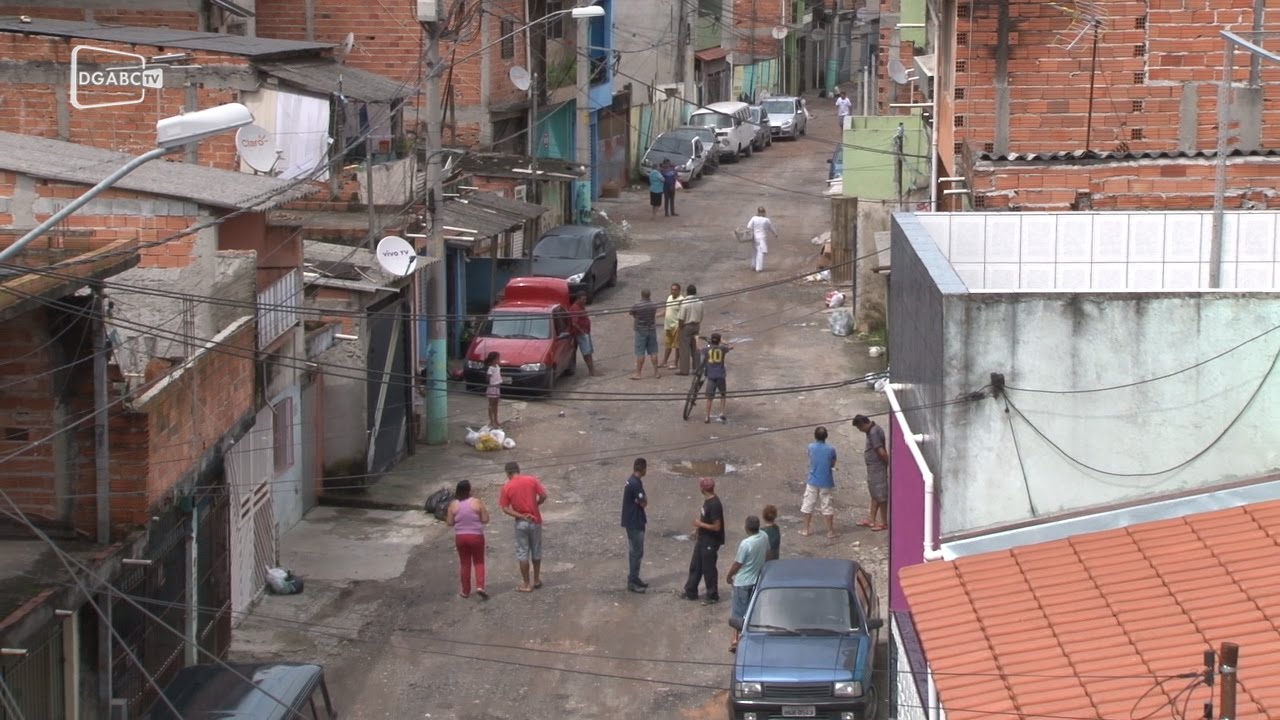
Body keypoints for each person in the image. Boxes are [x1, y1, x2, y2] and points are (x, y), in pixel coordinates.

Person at [498, 461, 549, 592]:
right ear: (518, 470)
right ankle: (536, 580)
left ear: (508, 473)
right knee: (536, 550)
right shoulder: (531, 480)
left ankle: (526, 584)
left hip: (521, 522)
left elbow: (505, 508)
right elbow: (543, 495)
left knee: (523, 552)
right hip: (535, 520)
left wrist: (521, 516)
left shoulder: (507, 487)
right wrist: (536, 504)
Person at [726, 515, 769, 653]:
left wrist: (729, 576)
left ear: (746, 528)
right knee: (752, 609)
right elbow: (767, 553)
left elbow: (738, 564)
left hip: (742, 582)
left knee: (738, 611)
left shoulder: (746, 544)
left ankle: (735, 639)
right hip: (757, 580)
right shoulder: (764, 536)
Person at [682, 477, 724, 604]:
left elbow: (717, 527)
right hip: (702, 539)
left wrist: (700, 524)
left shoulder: (714, 504)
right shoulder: (707, 501)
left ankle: (712, 595)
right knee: (696, 565)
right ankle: (690, 591)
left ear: (702, 489)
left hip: (710, 541)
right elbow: (705, 518)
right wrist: (697, 530)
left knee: (709, 568)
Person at [445, 479, 490, 599]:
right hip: (476, 536)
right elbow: (485, 519)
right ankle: (480, 586)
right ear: (469, 489)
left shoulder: (453, 505)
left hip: (460, 537)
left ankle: (465, 591)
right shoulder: (477, 502)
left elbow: (449, 523)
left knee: (465, 563)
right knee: (479, 562)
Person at [800, 426, 839, 538]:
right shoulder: (831, 449)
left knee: (808, 504)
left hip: (813, 480)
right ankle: (830, 531)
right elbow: (832, 463)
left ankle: (806, 529)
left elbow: (810, 458)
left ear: (815, 436)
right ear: (826, 436)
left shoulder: (811, 447)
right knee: (827, 505)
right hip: (826, 481)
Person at [853, 415, 889, 531]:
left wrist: (888, 463)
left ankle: (883, 522)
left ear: (863, 424)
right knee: (875, 494)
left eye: (859, 428)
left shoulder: (873, 433)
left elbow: (881, 451)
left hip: (877, 468)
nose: (860, 430)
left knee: (881, 495)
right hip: (873, 468)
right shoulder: (874, 430)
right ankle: (871, 520)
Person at [621, 458, 650, 593]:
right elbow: (644, 502)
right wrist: (642, 501)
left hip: (632, 520)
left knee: (636, 552)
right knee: (636, 552)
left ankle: (635, 577)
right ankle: (632, 581)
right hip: (635, 521)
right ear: (643, 469)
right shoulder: (635, 484)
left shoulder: (632, 480)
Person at [700, 333, 733, 423]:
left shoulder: (706, 349)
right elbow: (731, 347)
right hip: (720, 375)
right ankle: (722, 413)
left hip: (711, 376)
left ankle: (707, 416)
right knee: (723, 394)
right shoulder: (722, 349)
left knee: (709, 398)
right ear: (719, 341)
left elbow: (699, 350)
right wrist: (724, 342)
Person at [629, 289, 661, 380]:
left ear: (641, 295)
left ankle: (638, 373)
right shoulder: (654, 305)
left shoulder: (637, 305)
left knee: (640, 352)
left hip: (640, 330)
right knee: (653, 352)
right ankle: (656, 372)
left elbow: (631, 312)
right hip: (651, 329)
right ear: (649, 295)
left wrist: (637, 317)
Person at [568, 292, 599, 376]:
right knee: (587, 352)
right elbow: (574, 323)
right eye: (583, 299)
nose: (585, 301)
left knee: (588, 352)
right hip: (581, 334)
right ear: (578, 299)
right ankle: (592, 371)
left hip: (585, 332)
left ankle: (592, 370)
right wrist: (582, 332)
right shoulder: (575, 308)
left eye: (585, 299)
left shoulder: (581, 306)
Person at [675, 284, 704, 376]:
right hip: (696, 325)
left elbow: (681, 319)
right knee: (695, 348)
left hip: (686, 326)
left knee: (684, 349)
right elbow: (701, 316)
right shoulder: (700, 303)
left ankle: (684, 370)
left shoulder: (684, 303)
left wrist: (680, 328)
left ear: (687, 292)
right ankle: (697, 368)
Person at [744, 206, 778, 273]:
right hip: (762, 238)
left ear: (758, 212)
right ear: (764, 212)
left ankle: (753, 265)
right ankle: (758, 268)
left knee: (754, 251)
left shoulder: (754, 218)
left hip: (754, 237)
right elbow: (771, 228)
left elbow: (749, 226)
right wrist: (775, 234)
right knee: (760, 252)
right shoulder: (766, 220)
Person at [660, 282, 683, 370]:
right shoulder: (669, 297)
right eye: (672, 289)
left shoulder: (681, 300)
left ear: (679, 291)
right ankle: (664, 362)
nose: (673, 291)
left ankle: (675, 363)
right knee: (668, 345)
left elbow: (682, 314)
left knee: (677, 346)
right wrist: (658, 314)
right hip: (668, 326)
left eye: (675, 290)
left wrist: (680, 326)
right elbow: (667, 310)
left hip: (676, 326)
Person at [484, 351, 502, 428]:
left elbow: (498, 375)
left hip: (497, 387)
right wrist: (491, 379)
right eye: (498, 359)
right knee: (491, 405)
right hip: (492, 388)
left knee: (496, 404)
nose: (499, 360)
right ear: (493, 360)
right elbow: (487, 378)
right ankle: (491, 421)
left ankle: (496, 419)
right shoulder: (490, 368)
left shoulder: (497, 366)